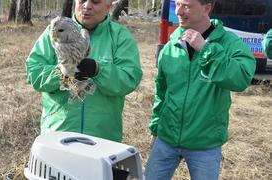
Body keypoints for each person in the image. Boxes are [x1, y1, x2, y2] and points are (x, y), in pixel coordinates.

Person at [144, 0, 256, 179]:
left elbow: (241, 78)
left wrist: (206, 50)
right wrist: (156, 129)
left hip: (204, 144)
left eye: (186, 5)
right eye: (177, 4)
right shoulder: (171, 45)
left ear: (207, 8)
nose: (178, 11)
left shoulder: (229, 42)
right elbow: (162, 92)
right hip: (166, 139)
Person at [25, 0, 142, 142]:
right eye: (81, 1)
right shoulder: (55, 31)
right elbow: (34, 72)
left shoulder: (120, 37)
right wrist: (60, 73)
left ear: (108, 6)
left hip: (102, 138)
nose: (87, 6)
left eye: (96, 2)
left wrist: (98, 70)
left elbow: (129, 78)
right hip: (58, 134)